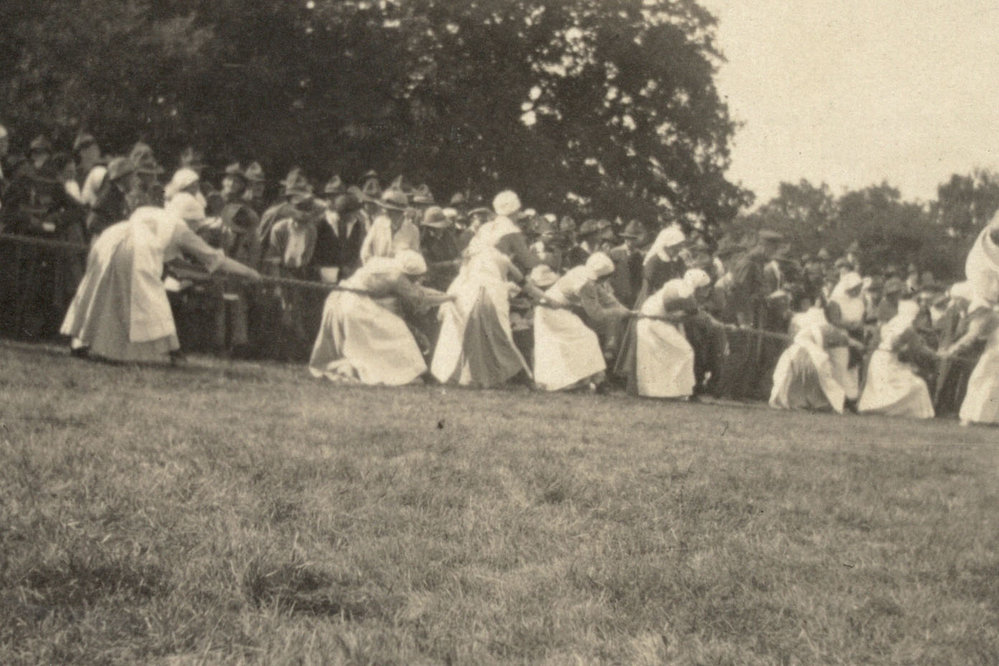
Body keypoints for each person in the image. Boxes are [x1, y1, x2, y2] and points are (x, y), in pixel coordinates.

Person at [60, 206, 260, 363]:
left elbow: (173, 262)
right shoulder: (182, 230)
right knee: (154, 300)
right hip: (137, 248)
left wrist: (199, 275)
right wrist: (249, 272)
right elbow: (216, 260)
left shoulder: (156, 216)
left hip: (110, 238)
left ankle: (80, 343)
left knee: (98, 291)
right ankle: (174, 352)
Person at [309, 250, 454, 385]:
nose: (418, 279)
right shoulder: (397, 277)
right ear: (410, 274)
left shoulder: (384, 262)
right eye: (416, 277)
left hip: (343, 297)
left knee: (380, 335)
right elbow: (419, 296)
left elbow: (416, 291)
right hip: (355, 304)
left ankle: (408, 370)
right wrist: (449, 297)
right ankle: (406, 372)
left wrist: (445, 296)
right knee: (397, 331)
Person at [430, 218, 533, 388]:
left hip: (465, 294)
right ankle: (504, 376)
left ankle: (468, 376)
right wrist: (544, 296)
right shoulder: (499, 257)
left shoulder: (472, 254)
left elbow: (462, 276)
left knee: (466, 336)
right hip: (484, 295)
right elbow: (523, 282)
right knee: (497, 336)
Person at [533, 252, 630, 392]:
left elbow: (606, 297)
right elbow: (596, 314)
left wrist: (627, 311)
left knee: (577, 341)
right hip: (552, 311)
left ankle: (583, 380)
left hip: (557, 310)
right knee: (586, 338)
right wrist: (619, 312)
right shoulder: (585, 284)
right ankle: (589, 380)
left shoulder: (582, 271)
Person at [631, 269, 713, 399]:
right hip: (653, 321)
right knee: (684, 352)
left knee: (669, 354)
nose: (706, 291)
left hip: (654, 321)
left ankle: (672, 391)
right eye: (704, 288)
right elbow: (690, 315)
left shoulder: (679, 286)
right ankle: (674, 391)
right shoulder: (684, 293)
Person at [769, 302, 856, 413]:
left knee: (790, 380)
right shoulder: (825, 328)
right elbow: (843, 339)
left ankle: (797, 403)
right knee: (826, 383)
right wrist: (858, 345)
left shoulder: (803, 329)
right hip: (812, 357)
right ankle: (843, 405)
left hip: (792, 356)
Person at [857, 300, 935, 419]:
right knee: (917, 384)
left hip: (879, 357)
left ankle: (875, 407)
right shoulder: (907, 328)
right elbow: (915, 347)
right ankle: (896, 410)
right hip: (889, 360)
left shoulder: (892, 323)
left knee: (885, 388)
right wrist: (935, 354)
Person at [359, 188, 420, 263]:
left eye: (389, 209)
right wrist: (370, 266)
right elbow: (366, 250)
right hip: (376, 270)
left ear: (400, 211)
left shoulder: (413, 230)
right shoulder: (378, 223)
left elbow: (414, 257)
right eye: (384, 208)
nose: (384, 211)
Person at [86, 157, 136, 240]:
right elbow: (92, 223)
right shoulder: (108, 196)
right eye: (132, 176)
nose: (134, 180)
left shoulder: (119, 194)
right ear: (123, 178)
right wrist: (114, 235)